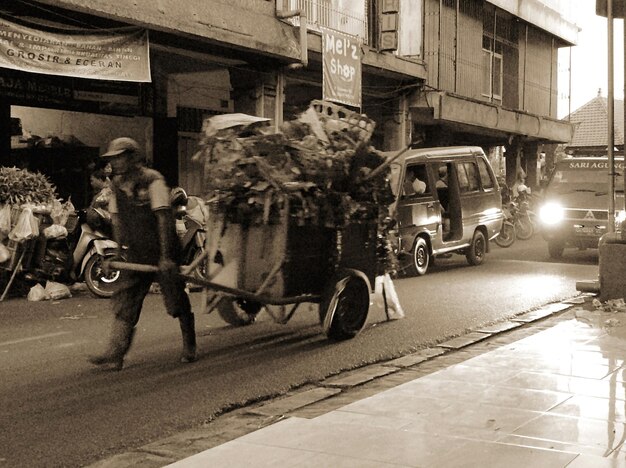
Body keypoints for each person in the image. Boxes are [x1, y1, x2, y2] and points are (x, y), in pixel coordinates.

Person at [88, 137, 196, 370]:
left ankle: (190, 343)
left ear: (133, 157)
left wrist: (166, 257)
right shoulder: (117, 185)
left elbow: (163, 219)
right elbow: (117, 221)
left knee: (175, 299)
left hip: (163, 248)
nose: (115, 163)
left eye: (119, 157)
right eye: (112, 158)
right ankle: (116, 352)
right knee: (126, 301)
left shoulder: (153, 181)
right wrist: (117, 253)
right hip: (137, 252)